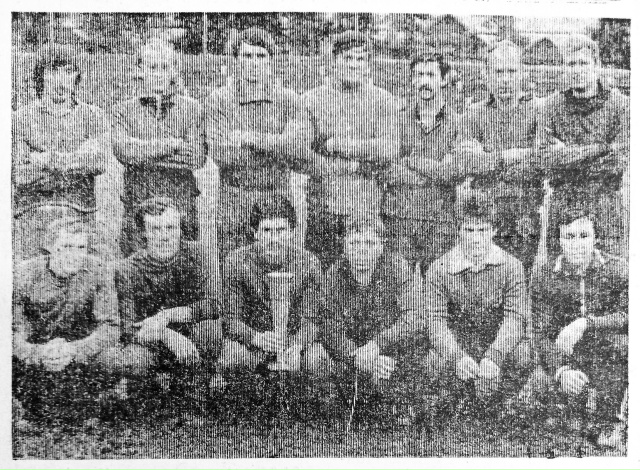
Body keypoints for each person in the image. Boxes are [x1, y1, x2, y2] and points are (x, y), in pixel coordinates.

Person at [301, 216, 427, 425]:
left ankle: (397, 406)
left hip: (387, 351)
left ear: (381, 246)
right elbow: (329, 325)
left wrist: (378, 346)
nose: (362, 250)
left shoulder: (397, 268)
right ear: (344, 245)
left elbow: (413, 316)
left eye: (370, 243)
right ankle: (335, 410)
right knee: (316, 357)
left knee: (410, 353)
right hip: (351, 355)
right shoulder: (335, 274)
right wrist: (356, 355)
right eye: (354, 243)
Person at [204, 27, 313, 261]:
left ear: (271, 59)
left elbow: (299, 149)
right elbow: (221, 153)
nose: (254, 62)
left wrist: (251, 138)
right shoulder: (219, 99)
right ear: (236, 59)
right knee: (234, 267)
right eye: (247, 55)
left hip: (276, 197)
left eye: (261, 56)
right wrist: (277, 147)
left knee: (276, 267)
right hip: (234, 200)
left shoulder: (288, 99)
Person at [102, 198, 223, 403]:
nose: (164, 236)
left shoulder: (198, 254)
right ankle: (148, 393)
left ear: (180, 229)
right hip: (150, 341)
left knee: (210, 330)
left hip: (190, 337)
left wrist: (168, 315)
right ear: (143, 233)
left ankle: (193, 393)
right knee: (134, 360)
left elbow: (213, 304)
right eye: (155, 229)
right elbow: (128, 327)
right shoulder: (127, 269)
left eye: (171, 227)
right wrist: (165, 334)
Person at [423, 191, 530, 416]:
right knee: (433, 360)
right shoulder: (438, 269)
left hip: (496, 342)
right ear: (458, 231)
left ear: (494, 230)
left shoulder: (512, 266)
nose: (475, 238)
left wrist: (495, 355)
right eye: (469, 230)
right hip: (459, 345)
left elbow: (515, 318)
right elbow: (435, 321)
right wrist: (457, 357)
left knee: (523, 353)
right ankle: (452, 401)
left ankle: (504, 404)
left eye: (482, 230)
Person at [303, 30, 401, 270]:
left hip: (366, 210)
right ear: (334, 60)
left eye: (361, 59)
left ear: (368, 64)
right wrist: (356, 164)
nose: (355, 64)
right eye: (348, 58)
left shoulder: (382, 100)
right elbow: (303, 154)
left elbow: (389, 149)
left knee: (364, 275)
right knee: (323, 277)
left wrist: (338, 145)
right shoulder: (311, 100)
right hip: (324, 207)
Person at [531, 209, 628, 448]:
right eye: (569, 236)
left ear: (596, 237)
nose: (576, 244)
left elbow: (629, 315)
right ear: (559, 240)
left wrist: (586, 323)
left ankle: (610, 418)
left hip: (606, 353)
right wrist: (561, 370)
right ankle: (570, 404)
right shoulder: (546, 276)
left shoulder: (618, 269)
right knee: (545, 395)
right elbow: (539, 333)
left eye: (584, 236)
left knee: (623, 347)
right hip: (567, 355)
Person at [12, 217, 120, 425]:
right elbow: (13, 329)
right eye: (66, 246)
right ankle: (30, 407)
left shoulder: (99, 270)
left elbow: (110, 326)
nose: (74, 255)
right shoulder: (23, 273)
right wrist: (37, 353)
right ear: (50, 247)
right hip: (38, 353)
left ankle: (86, 405)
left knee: (113, 358)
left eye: (81, 247)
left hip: (78, 354)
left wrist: (75, 349)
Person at [12, 43, 112, 262]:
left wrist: (45, 159)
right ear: (40, 76)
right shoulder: (20, 119)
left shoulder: (92, 116)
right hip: (32, 211)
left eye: (68, 71)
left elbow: (98, 162)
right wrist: (77, 160)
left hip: (80, 210)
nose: (61, 80)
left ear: (76, 76)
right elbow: (20, 175)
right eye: (53, 71)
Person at [217, 195, 321, 393]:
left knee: (318, 359)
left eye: (281, 230)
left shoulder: (309, 263)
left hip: (293, 342)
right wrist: (255, 337)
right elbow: (230, 318)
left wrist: (297, 344)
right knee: (232, 357)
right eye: (266, 230)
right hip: (252, 342)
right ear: (255, 232)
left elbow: (312, 318)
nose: (274, 239)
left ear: (292, 232)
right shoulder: (236, 261)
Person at [535, 37, 629, 257]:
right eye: (571, 64)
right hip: (563, 202)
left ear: (596, 65)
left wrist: (565, 153)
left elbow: (617, 162)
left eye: (583, 63)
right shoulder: (552, 106)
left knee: (609, 268)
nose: (577, 70)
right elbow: (543, 159)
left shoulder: (620, 105)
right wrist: (601, 148)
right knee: (559, 270)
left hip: (604, 202)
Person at [455, 40, 543, 269]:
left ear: (522, 73)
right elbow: (466, 162)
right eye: (498, 72)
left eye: (511, 72)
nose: (505, 79)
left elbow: (541, 159)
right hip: (484, 215)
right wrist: (509, 156)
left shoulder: (539, 111)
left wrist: (487, 157)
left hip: (524, 212)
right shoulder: (473, 114)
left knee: (519, 277)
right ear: (487, 75)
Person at [112, 40, 205, 257]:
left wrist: (143, 151)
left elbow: (195, 157)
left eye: (164, 67)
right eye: (152, 67)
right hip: (139, 200)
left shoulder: (192, 109)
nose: (158, 74)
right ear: (140, 70)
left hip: (180, 202)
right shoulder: (123, 111)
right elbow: (124, 151)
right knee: (136, 266)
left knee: (182, 266)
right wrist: (170, 145)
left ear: (173, 70)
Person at [381, 52, 459, 273]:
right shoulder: (396, 119)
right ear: (412, 80)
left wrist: (410, 161)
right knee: (397, 280)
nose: (424, 81)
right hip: (400, 217)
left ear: (443, 80)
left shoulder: (457, 123)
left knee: (437, 281)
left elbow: (451, 171)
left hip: (440, 219)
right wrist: (430, 172)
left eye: (431, 75)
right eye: (419, 75)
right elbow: (387, 168)